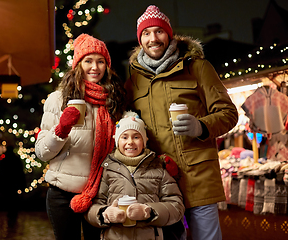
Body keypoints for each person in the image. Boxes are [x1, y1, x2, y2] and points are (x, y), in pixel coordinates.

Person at [124, 5, 239, 240]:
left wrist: (201, 126)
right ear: (140, 40)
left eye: (159, 32)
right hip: (159, 183)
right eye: (146, 33)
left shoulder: (197, 67)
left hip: (199, 176)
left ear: (169, 34)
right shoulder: (133, 79)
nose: (153, 38)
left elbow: (228, 113)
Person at [35, 33, 126, 240]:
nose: (95, 67)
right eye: (88, 61)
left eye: (101, 61)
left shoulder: (114, 100)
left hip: (101, 193)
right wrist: (60, 130)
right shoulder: (59, 99)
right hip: (62, 194)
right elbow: (41, 153)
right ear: (78, 64)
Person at [86, 111, 185, 239]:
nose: (130, 142)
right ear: (117, 141)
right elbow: (91, 207)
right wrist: (105, 213)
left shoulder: (158, 169)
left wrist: (149, 212)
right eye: (124, 137)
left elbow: (176, 206)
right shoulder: (107, 170)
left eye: (136, 137)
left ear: (144, 141)